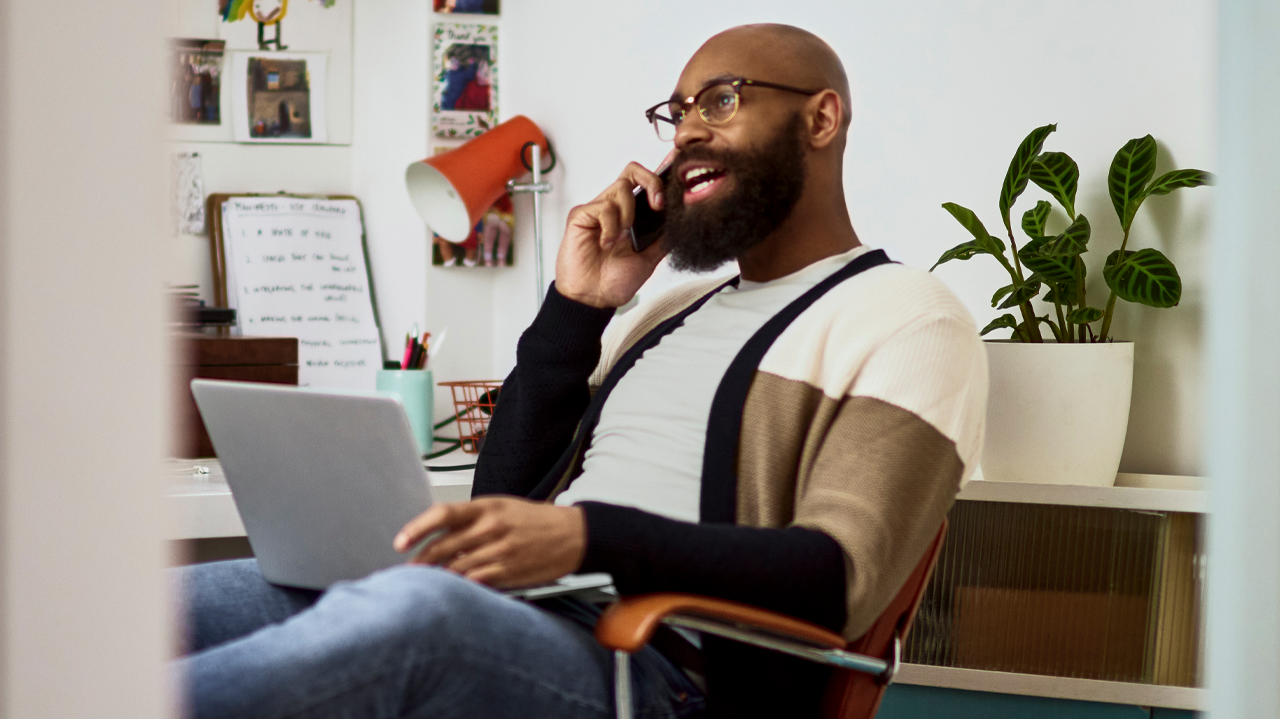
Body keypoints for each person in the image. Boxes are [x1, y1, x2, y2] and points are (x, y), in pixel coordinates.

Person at [174, 23, 986, 719]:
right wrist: (578, 306)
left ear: (821, 117)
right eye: (678, 112)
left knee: (412, 611)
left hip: (663, 675)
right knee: (175, 601)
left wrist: (585, 538)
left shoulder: (908, 316)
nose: (686, 134)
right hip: (518, 616)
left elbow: (839, 576)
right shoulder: (667, 314)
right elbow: (502, 497)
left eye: (722, 100)